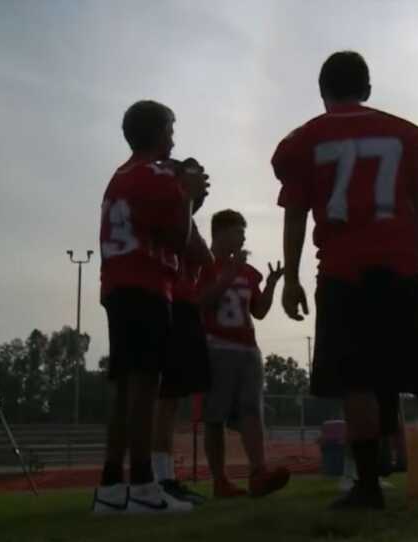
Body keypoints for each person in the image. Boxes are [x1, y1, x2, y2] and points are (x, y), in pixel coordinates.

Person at [272, 50, 418, 509]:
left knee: (357, 382)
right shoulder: (405, 135)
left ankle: (367, 485)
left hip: (342, 271)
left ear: (323, 92)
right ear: (366, 89)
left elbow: (295, 214)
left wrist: (290, 276)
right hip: (400, 268)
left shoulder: (304, 141)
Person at [95, 100, 209, 514]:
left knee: (126, 386)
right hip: (145, 284)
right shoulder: (159, 175)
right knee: (144, 385)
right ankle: (142, 483)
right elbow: (180, 239)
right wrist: (189, 197)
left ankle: (111, 486)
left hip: (117, 282)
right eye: (171, 130)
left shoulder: (121, 176)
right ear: (160, 131)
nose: (174, 139)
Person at [198, 209, 290, 499]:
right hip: (216, 348)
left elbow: (259, 311)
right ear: (221, 233)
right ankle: (220, 480)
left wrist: (273, 283)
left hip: (248, 349)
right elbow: (202, 303)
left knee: (252, 411)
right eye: (238, 231)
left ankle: (258, 473)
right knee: (215, 417)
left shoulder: (249, 273)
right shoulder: (204, 265)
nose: (243, 238)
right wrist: (227, 275)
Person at [151, 158, 213, 505]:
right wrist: (185, 197)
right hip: (173, 303)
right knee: (165, 398)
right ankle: (159, 477)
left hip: (184, 305)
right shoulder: (173, 219)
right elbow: (198, 252)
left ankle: (164, 475)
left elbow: (203, 257)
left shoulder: (184, 219)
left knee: (172, 399)